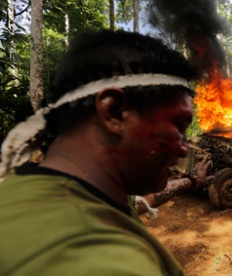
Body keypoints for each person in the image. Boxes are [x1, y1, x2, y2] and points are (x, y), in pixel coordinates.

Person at [0, 30, 212, 275]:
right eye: (179, 125)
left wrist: (190, 180)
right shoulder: (104, 262)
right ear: (114, 112)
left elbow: (141, 203)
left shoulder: (33, 190)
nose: (184, 147)